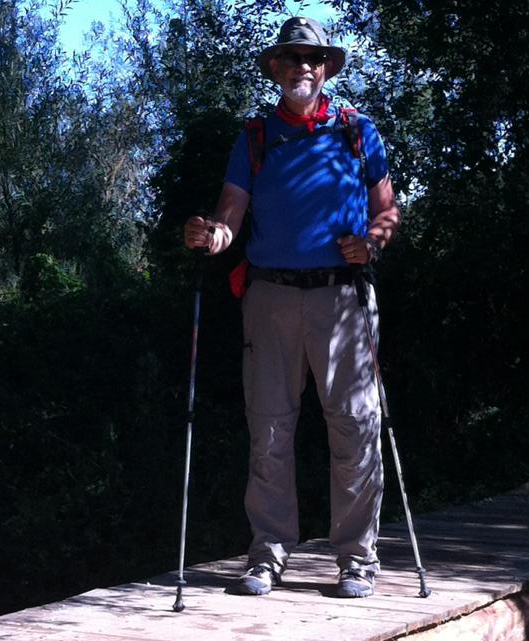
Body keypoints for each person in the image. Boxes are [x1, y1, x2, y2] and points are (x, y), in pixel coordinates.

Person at [184, 15, 400, 598]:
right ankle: (267, 555)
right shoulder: (255, 137)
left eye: (315, 58)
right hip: (270, 297)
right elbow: (230, 216)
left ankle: (357, 560)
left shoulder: (358, 132)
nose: (305, 66)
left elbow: (388, 210)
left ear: (326, 68)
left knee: (355, 426)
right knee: (270, 430)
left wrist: (372, 242)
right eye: (293, 58)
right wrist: (211, 235)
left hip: (343, 296)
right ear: (276, 69)